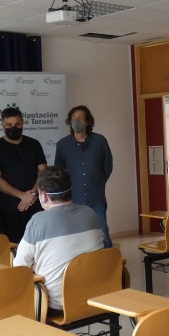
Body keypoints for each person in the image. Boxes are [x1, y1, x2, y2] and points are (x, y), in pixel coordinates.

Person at [13, 166, 104, 314]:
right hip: (96, 295)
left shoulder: (38, 221)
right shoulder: (90, 213)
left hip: (57, 303)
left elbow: (19, 268)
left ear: (44, 196)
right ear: (71, 189)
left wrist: (36, 266)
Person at [54, 104, 114, 247]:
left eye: (80, 117)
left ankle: (110, 262)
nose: (76, 120)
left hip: (96, 196)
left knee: (103, 230)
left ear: (88, 121)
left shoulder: (100, 141)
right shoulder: (62, 145)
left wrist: (97, 181)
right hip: (74, 198)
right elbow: (59, 170)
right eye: (73, 118)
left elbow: (107, 166)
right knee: (77, 233)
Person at [0, 106, 48, 244]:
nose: (13, 128)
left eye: (17, 124)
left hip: (35, 204)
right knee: (15, 246)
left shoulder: (34, 144)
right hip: (9, 208)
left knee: (39, 243)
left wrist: (32, 194)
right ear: (3, 125)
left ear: (23, 124)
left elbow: (44, 171)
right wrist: (22, 195)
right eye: (9, 125)